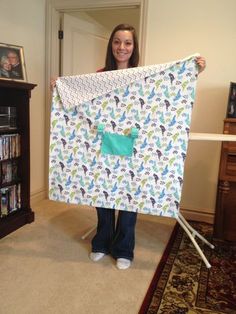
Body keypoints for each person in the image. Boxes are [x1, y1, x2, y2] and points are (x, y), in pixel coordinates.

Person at [51, 23, 206, 270]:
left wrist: (192, 71)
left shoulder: (144, 75)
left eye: (127, 43)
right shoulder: (99, 76)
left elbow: (166, 90)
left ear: (133, 47)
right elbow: (81, 104)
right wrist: (61, 90)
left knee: (129, 196)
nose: (121, 47)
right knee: (101, 192)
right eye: (117, 42)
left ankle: (124, 248)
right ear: (110, 45)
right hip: (103, 143)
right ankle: (101, 242)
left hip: (134, 146)